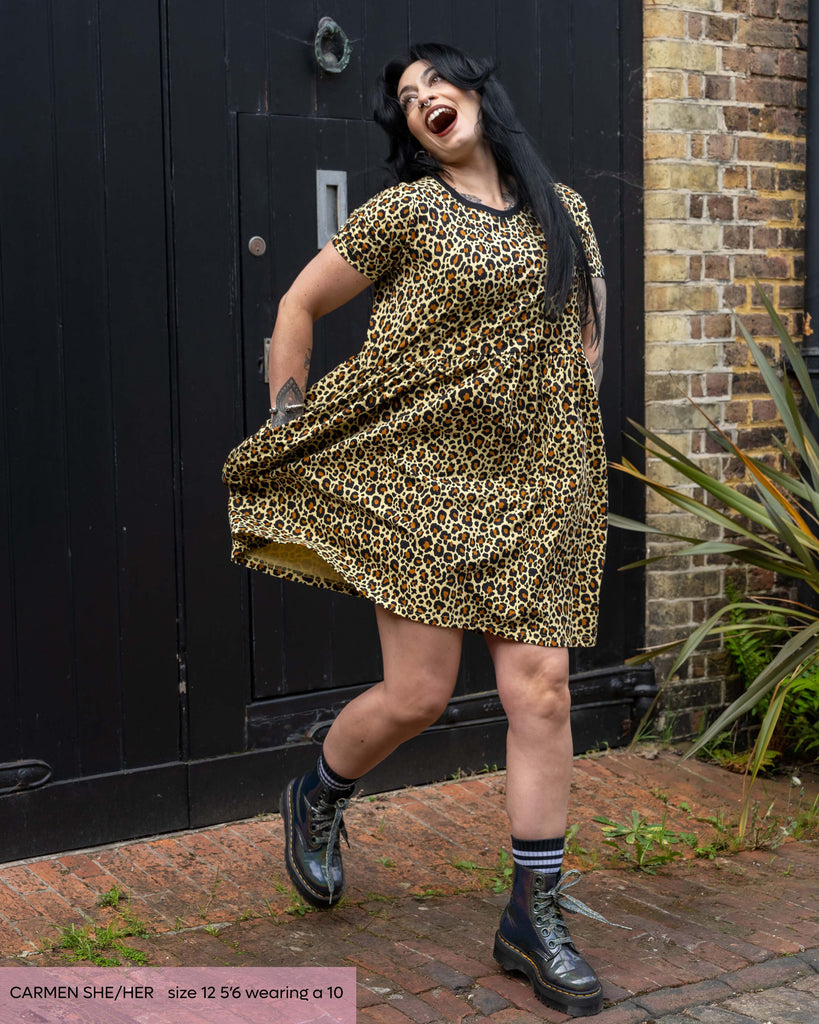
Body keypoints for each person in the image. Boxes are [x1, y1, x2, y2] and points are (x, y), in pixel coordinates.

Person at [223, 42, 622, 1018]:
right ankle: (318, 790)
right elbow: (298, 303)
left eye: (436, 81)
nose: (423, 99)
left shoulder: (565, 211)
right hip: (422, 483)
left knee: (543, 688)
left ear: (478, 91)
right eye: (405, 99)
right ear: (409, 132)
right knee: (418, 695)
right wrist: (290, 418)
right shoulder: (406, 212)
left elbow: (587, 349)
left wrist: (562, 466)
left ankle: (534, 914)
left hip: (536, 487)